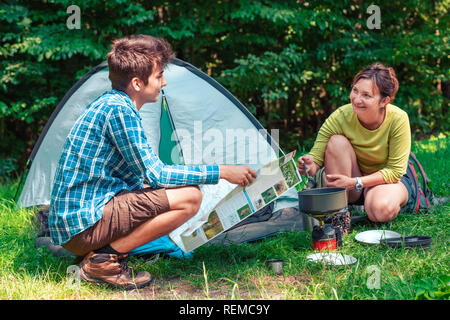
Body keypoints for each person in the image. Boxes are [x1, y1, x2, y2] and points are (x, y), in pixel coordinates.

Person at [48, 35, 257, 290]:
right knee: (190, 198)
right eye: (159, 76)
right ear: (137, 83)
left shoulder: (111, 103)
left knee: (169, 193)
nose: (164, 82)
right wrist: (222, 171)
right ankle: (103, 260)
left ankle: (99, 255)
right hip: (82, 226)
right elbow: (156, 174)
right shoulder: (119, 110)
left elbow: (142, 176)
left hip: (78, 221)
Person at [298, 62, 412, 233]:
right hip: (350, 183)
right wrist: (309, 164)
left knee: (380, 210)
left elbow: (395, 171)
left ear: (384, 101)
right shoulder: (340, 116)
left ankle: (382, 200)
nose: (357, 99)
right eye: (355, 91)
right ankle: (339, 217)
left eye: (367, 95)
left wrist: (356, 182)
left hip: (386, 181)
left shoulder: (398, 119)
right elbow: (316, 159)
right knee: (336, 141)